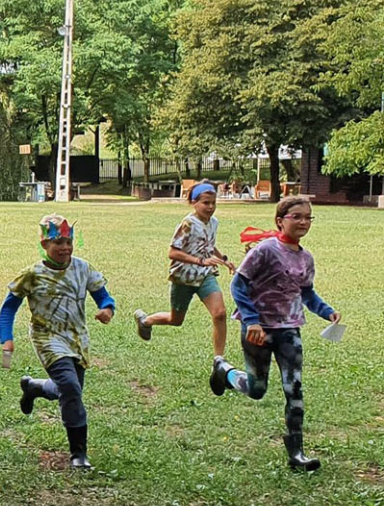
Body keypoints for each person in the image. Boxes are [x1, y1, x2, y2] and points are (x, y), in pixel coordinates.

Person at [210, 197, 340, 471]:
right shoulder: (265, 250)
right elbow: (238, 286)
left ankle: (296, 453)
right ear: (280, 221)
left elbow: (306, 293)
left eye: (308, 217)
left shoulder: (306, 258)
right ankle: (224, 370)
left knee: (294, 388)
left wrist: (327, 312)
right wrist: (252, 321)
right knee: (257, 389)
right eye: (296, 216)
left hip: (289, 330)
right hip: (258, 330)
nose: (303, 222)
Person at [0, 215, 115, 471]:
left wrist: (107, 309)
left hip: (77, 338)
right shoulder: (32, 274)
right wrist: (6, 339)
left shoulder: (82, 268)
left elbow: (103, 296)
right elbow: (8, 308)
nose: (65, 248)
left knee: (71, 390)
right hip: (47, 338)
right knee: (71, 388)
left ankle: (34, 387)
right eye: (58, 242)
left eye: (68, 242)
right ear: (44, 244)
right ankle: (78, 453)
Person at [134, 181, 235, 360]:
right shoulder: (188, 224)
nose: (210, 207)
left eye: (213, 203)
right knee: (176, 320)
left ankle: (219, 360)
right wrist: (200, 261)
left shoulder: (213, 222)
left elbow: (208, 244)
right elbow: (173, 252)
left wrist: (224, 259)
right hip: (183, 277)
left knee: (220, 314)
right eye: (205, 203)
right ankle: (146, 321)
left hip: (205, 275)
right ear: (194, 202)